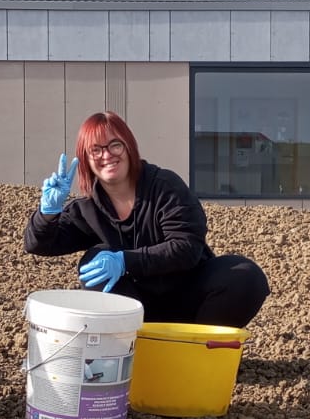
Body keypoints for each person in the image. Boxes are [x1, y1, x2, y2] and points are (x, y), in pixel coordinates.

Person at [24, 111, 269, 329]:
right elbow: (40, 245)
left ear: (129, 147)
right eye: (95, 150)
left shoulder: (164, 187)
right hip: (137, 313)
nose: (106, 155)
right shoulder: (88, 209)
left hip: (190, 298)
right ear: (87, 161)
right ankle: (132, 351)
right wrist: (48, 212)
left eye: (114, 145)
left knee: (245, 276)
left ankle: (199, 352)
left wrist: (125, 261)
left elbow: (187, 247)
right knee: (94, 261)